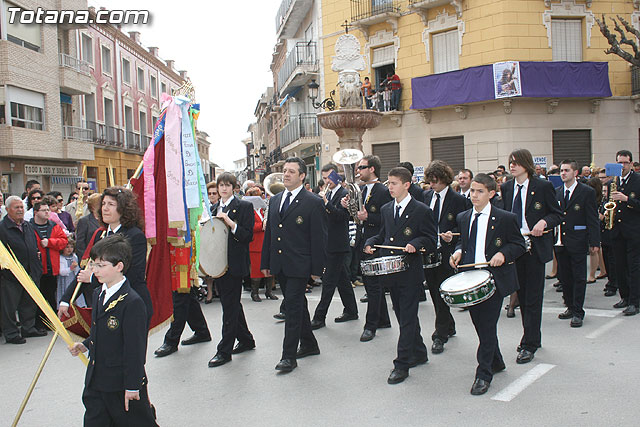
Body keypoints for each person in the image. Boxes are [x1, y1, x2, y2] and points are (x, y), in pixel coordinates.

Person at [68, 235, 157, 426]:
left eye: (101, 265)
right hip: (96, 379)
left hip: (120, 384)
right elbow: (100, 330)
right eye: (94, 265)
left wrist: (133, 385)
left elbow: (135, 348)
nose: (95, 270)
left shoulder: (131, 302)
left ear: (119, 266)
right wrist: (85, 345)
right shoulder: (99, 292)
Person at [450, 173, 526, 395]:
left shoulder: (505, 218)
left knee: (487, 323)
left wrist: (503, 253)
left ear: (492, 194)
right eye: (472, 191)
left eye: (480, 191)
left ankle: (483, 373)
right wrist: (456, 253)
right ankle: (497, 360)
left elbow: (519, 244)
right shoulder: (464, 217)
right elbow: (462, 241)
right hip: (471, 279)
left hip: (494, 278)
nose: (474, 195)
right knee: (479, 323)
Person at [364, 167, 437, 384]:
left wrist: (416, 243)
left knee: (405, 318)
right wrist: (370, 243)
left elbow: (431, 239)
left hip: (410, 273)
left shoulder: (421, 210)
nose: (390, 187)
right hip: (391, 271)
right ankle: (420, 351)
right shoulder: (387, 209)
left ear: (407, 184)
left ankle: (402, 363)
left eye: (394, 183)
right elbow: (383, 235)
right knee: (403, 314)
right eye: (389, 183)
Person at [261, 157, 328, 373]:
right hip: (280, 263)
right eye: (284, 170)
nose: (286, 174)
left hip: (300, 264)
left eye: (291, 171)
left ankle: (288, 356)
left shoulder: (313, 202)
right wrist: (266, 262)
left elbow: (319, 238)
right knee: (297, 305)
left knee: (292, 307)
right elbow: (270, 233)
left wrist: (317, 270)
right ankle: (309, 344)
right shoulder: (276, 199)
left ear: (301, 176)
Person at [500, 149, 562, 364]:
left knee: (533, 297)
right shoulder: (507, 187)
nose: (512, 166)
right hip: (516, 248)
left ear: (526, 164)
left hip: (535, 248)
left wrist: (544, 222)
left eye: (516, 162)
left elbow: (556, 214)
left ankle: (530, 342)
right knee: (521, 294)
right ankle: (531, 335)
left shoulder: (542, 186)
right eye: (510, 163)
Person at [59, 187, 153, 322]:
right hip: (105, 304)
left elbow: (132, 275)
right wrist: (66, 300)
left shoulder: (135, 236)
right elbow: (86, 271)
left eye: (111, 204)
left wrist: (93, 279)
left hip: (131, 305)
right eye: (103, 204)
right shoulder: (100, 235)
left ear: (124, 208)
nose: (105, 208)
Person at [208, 172, 256, 368]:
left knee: (229, 307)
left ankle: (224, 350)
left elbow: (247, 236)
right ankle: (246, 339)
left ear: (234, 187)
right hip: (218, 264)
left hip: (234, 264)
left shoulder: (244, 206)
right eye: (221, 185)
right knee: (232, 303)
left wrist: (230, 223)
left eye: (228, 185)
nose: (224, 188)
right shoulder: (213, 208)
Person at [423, 160, 471, 354]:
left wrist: (452, 234)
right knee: (434, 292)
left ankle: (440, 334)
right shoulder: (426, 197)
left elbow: (464, 226)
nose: (432, 185)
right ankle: (448, 325)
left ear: (444, 179)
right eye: (430, 181)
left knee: (442, 291)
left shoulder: (458, 200)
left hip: (447, 252)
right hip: (429, 251)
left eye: (435, 181)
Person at [345, 155, 393, 342]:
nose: (358, 171)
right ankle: (383, 319)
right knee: (373, 284)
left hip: (375, 244)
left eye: (362, 167)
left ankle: (370, 325)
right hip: (362, 240)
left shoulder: (383, 191)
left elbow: (388, 220)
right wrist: (348, 208)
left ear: (372, 169)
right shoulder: (362, 190)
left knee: (372, 286)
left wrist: (368, 219)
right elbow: (357, 217)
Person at [310, 164, 358, 329]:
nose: (326, 182)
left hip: (337, 243)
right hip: (329, 241)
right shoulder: (329, 193)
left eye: (329, 178)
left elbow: (342, 217)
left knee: (329, 281)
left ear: (336, 177)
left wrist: (326, 203)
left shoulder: (344, 193)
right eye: (323, 179)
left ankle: (319, 317)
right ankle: (351, 310)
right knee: (342, 279)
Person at [554, 160, 600, 328]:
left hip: (578, 240)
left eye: (566, 170)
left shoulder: (586, 192)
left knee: (579, 277)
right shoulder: (557, 192)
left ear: (575, 172)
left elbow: (592, 217)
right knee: (565, 277)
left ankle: (578, 311)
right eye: (561, 170)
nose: (563, 173)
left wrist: (594, 241)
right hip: (561, 242)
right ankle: (570, 306)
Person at [0, 196, 45, 343]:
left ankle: (28, 328)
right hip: (11, 275)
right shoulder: (2, 228)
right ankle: (12, 333)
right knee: (9, 306)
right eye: (16, 207)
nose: (20, 210)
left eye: (21, 207)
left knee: (29, 302)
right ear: (7, 210)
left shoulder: (27, 225)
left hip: (31, 271)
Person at [608, 150, 640, 315]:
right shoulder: (613, 181)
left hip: (633, 231)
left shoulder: (637, 180)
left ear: (631, 164)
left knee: (633, 267)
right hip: (617, 230)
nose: (622, 166)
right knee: (619, 266)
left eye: (625, 163)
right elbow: (608, 202)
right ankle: (625, 297)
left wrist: (627, 199)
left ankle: (635, 301)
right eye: (619, 162)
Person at [31, 198, 68, 322]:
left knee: (50, 295)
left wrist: (50, 242)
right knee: (37, 296)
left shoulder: (54, 226)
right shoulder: (29, 226)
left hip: (51, 267)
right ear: (36, 212)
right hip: (36, 268)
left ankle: (51, 321)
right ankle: (38, 322)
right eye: (44, 210)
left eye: (48, 210)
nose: (47, 212)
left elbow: (64, 242)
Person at [246, 187, 276, 301]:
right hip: (255, 245)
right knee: (256, 270)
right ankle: (255, 293)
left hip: (267, 243)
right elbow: (250, 226)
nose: (262, 197)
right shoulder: (250, 211)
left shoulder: (264, 210)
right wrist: (261, 225)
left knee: (269, 268)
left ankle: (269, 292)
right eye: (259, 195)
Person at [75, 193, 102, 259]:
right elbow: (80, 243)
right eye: (100, 204)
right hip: (90, 257)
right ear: (93, 206)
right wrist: (84, 259)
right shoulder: (84, 221)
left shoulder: (105, 219)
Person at [57, 238, 80, 307]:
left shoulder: (74, 257)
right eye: (67, 247)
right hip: (65, 280)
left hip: (73, 278)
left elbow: (77, 270)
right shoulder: (61, 258)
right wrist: (70, 268)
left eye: (71, 247)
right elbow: (61, 272)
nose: (69, 249)